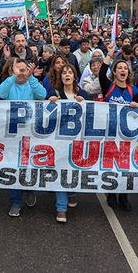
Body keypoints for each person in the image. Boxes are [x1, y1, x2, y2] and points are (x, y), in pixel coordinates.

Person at [0, 59, 47, 217]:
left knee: (30, 165)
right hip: (12, 134)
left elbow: (42, 95)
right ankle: (15, 201)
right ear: (12, 70)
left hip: (31, 133)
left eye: (24, 70)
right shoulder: (9, 84)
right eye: (19, 70)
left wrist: (31, 78)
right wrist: (12, 76)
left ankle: (30, 189)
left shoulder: (31, 84)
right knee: (13, 167)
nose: (21, 72)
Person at [98, 55, 138, 211]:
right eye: (119, 68)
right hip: (110, 132)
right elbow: (101, 73)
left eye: (125, 68)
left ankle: (124, 196)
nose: (123, 70)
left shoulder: (134, 89)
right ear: (115, 72)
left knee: (126, 166)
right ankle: (111, 194)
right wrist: (109, 56)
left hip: (127, 135)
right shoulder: (108, 86)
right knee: (112, 164)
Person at [47, 63, 90, 223]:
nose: (67, 75)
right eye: (64, 72)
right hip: (59, 141)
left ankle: (71, 192)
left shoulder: (83, 94)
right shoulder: (54, 93)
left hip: (77, 142)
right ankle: (61, 208)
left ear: (74, 76)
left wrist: (84, 103)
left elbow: (92, 115)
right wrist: (49, 102)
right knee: (60, 171)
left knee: (72, 171)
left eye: (70, 72)